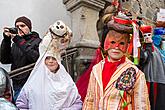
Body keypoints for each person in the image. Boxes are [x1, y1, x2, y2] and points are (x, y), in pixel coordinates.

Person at [82, 16, 150, 109]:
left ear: (127, 46)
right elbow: (90, 99)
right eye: (113, 42)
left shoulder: (135, 73)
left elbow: (141, 105)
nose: (116, 47)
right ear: (105, 43)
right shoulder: (96, 70)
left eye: (121, 43)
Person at [16, 20, 82, 110]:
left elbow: (77, 103)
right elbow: (21, 105)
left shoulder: (66, 80)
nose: (51, 61)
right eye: (47, 58)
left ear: (58, 61)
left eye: (54, 58)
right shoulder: (34, 81)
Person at [0, 16, 42, 102]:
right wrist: (6, 40)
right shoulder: (15, 44)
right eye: (17, 26)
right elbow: (4, 60)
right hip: (17, 85)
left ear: (29, 28)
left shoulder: (38, 41)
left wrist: (17, 40)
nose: (19, 28)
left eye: (22, 26)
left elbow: (34, 57)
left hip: (33, 83)